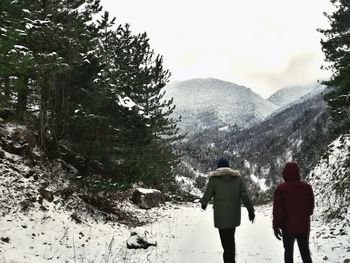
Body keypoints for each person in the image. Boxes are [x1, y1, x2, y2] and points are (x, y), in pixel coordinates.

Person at [200, 158, 255, 263]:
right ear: (229, 167)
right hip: (233, 216)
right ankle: (231, 260)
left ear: (218, 167)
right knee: (230, 240)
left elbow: (208, 193)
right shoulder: (237, 179)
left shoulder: (214, 180)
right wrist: (250, 210)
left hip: (221, 217)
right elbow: (245, 196)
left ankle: (229, 261)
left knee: (225, 243)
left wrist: (204, 203)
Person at [273, 161, 314, 263]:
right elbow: (310, 208)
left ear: (285, 173)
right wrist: (302, 216)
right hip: (303, 227)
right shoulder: (307, 187)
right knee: (305, 252)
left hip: (287, 228)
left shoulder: (281, 189)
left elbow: (278, 211)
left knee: (288, 252)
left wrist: (276, 226)